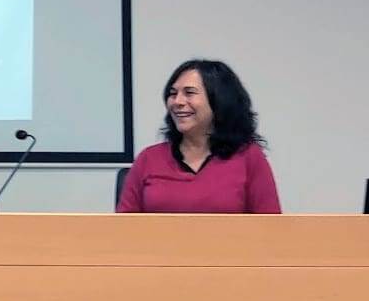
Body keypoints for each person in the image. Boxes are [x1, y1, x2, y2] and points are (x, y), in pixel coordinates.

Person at [118, 59, 281, 213]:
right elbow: (120, 230)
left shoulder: (249, 157)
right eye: (173, 93)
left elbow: (271, 230)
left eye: (189, 93)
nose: (177, 101)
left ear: (219, 101)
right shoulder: (148, 159)